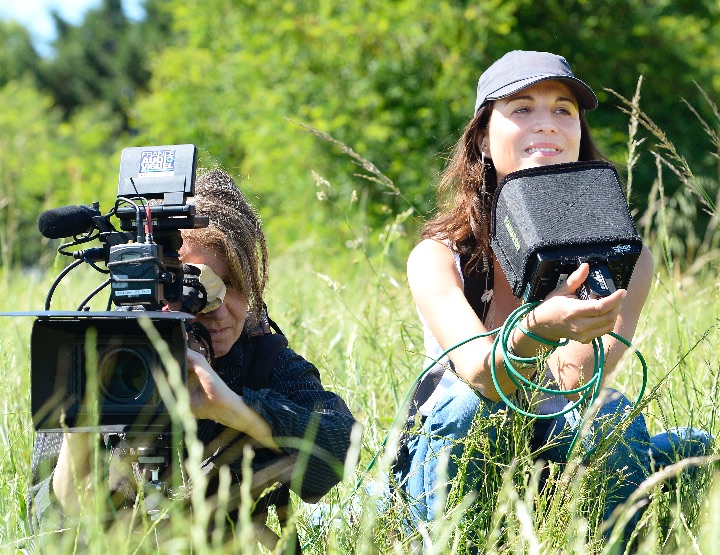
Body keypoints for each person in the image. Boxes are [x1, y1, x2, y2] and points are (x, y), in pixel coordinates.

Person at [395, 50, 711, 545]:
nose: (547, 123)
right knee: (466, 407)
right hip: (464, 453)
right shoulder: (440, 257)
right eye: (522, 108)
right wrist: (537, 327)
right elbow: (480, 376)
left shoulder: (627, 257)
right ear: (481, 136)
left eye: (564, 110)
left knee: (625, 420)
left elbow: (577, 381)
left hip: (556, 458)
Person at [29, 168, 357, 548]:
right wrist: (83, 419)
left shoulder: (262, 360)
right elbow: (47, 525)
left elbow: (339, 451)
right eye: (185, 289)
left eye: (230, 285)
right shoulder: (101, 357)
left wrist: (237, 410)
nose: (216, 311)